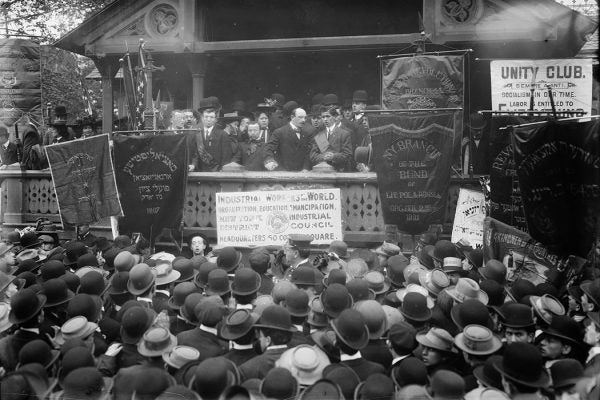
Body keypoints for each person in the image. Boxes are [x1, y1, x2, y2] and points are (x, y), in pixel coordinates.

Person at [264, 107, 311, 172]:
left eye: (305, 118)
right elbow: (269, 149)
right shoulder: (279, 132)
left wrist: (305, 168)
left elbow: (307, 154)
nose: (303, 120)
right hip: (283, 173)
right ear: (292, 117)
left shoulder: (306, 134)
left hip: (301, 174)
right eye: (300, 117)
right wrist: (269, 160)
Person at [309, 106, 352, 172]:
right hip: (322, 171)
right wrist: (323, 157)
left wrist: (334, 156)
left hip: (339, 171)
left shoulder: (344, 134)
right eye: (323, 117)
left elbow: (348, 154)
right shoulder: (320, 135)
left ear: (334, 117)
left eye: (328, 116)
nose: (325, 119)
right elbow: (313, 155)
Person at [196, 103, 233, 171]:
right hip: (199, 173)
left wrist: (221, 172)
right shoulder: (196, 134)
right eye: (206, 117)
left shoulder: (223, 135)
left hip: (216, 173)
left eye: (211, 117)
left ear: (216, 119)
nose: (208, 119)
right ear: (202, 118)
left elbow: (226, 157)